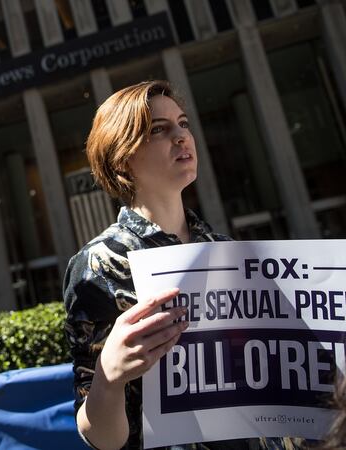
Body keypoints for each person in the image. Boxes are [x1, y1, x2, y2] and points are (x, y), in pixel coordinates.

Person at [63, 80, 302, 449]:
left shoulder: (227, 252)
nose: (181, 136)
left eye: (184, 123)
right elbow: (99, 437)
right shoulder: (98, 266)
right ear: (122, 156)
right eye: (159, 129)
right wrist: (108, 379)